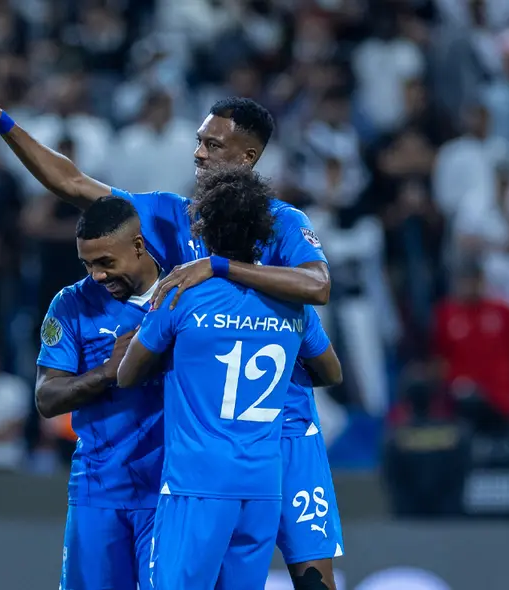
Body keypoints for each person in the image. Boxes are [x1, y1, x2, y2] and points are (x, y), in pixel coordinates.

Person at [0, 57, 345, 588]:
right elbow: (73, 184)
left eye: (213, 145)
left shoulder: (283, 223)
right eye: (199, 140)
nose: (198, 152)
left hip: (284, 427)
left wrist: (216, 266)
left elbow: (319, 285)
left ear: (249, 156)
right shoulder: (172, 215)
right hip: (207, 443)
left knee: (312, 578)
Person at [117, 165, 342, 589]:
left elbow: (128, 374)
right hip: (261, 482)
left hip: (197, 480)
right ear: (261, 233)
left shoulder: (181, 295)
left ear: (202, 228)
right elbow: (331, 371)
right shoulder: (293, 306)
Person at [36, 196, 165, 590]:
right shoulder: (71, 304)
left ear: (139, 246)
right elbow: (47, 397)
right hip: (98, 490)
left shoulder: (182, 296)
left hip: (170, 491)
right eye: (87, 264)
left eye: (106, 263)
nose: (96, 275)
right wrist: (108, 372)